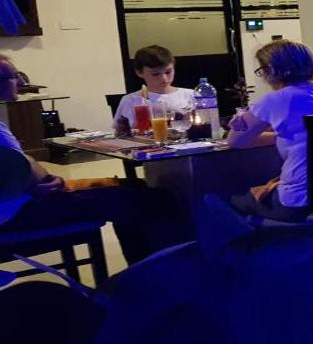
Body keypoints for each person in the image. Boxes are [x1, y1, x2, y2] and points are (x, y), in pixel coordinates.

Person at [0, 55, 191, 265]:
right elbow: (25, 169)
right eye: (14, 76)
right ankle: (169, 270)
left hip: (19, 203)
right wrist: (38, 174)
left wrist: (33, 172)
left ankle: (143, 267)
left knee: (136, 188)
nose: (21, 82)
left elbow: (20, 166)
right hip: (18, 213)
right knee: (153, 198)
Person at [227, 40, 313, 221]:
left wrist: (239, 120)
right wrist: (280, 135)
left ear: (270, 70)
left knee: (233, 200)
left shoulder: (275, 100)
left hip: (304, 202)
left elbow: (236, 142)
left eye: (262, 71)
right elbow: (309, 135)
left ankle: (262, 238)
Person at [112, 45, 196, 136]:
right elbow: (121, 133)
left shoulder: (191, 95)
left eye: (168, 72)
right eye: (155, 74)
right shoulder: (131, 100)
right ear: (139, 73)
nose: (164, 78)